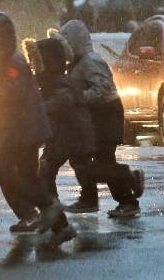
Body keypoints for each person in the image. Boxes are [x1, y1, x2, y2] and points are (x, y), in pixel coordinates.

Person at [0, 13, 68, 244]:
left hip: (21, 130)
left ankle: (48, 207)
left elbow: (8, 94)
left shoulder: (11, 63)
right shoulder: (0, 62)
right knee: (26, 176)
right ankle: (60, 226)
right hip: (19, 128)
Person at [57, 19, 143, 219]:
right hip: (95, 115)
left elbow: (103, 87)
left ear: (74, 42)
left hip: (106, 115)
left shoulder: (90, 61)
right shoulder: (79, 61)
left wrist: (80, 99)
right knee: (84, 158)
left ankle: (127, 195)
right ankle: (90, 199)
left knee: (103, 160)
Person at [23, 34, 93, 244]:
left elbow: (65, 100)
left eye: (38, 62)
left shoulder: (61, 82)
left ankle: (58, 221)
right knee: (46, 175)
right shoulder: (49, 80)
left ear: (50, 62)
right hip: (63, 136)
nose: (35, 67)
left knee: (45, 175)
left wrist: (41, 109)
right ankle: (56, 221)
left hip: (70, 136)